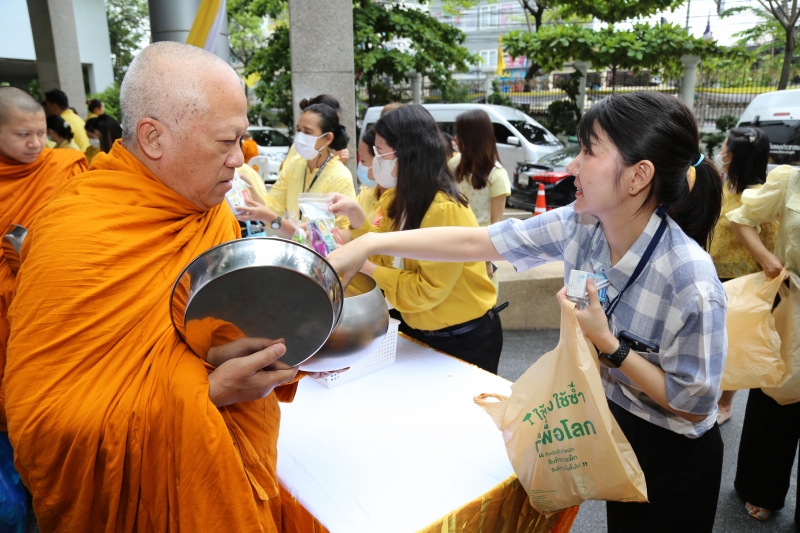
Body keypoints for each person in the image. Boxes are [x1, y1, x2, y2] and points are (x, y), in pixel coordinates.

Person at [327, 92, 727, 532]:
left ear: (638, 176)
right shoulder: (582, 224)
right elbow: (476, 242)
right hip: (614, 423)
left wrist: (608, 345)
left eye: (588, 151)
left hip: (672, 452)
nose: (573, 164)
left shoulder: (690, 279)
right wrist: (371, 243)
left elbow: (692, 404)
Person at [5, 41, 315, 532]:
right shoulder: (75, 234)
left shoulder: (211, 214)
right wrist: (205, 395)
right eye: (225, 141)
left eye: (243, 139)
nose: (241, 160)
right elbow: (44, 423)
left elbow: (226, 325)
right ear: (153, 138)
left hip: (222, 467)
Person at [328, 105, 504, 374]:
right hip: (418, 330)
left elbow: (426, 290)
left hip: (462, 338)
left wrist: (365, 265)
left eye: (380, 152)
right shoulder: (396, 198)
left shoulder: (444, 209)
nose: (376, 160)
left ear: (407, 154)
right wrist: (356, 216)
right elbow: (380, 252)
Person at [0, 87, 87, 432]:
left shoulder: (64, 166)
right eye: (23, 135)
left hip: (60, 295)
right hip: (9, 302)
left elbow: (89, 225)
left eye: (40, 133)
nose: (36, 144)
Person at [728, 163, 800, 524]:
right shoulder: (789, 179)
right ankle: (761, 490)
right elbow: (741, 217)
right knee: (775, 399)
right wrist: (766, 258)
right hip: (793, 305)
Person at [709, 127, 777, 425]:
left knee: (733, 345)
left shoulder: (760, 197)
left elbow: (772, 246)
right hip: (713, 276)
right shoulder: (727, 186)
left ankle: (725, 404)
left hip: (743, 284)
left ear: (733, 155)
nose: (720, 150)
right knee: (712, 343)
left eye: (724, 146)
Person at [235, 103, 355, 236]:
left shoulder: (340, 177)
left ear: (327, 138)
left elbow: (346, 232)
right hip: (299, 245)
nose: (300, 137)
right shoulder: (293, 164)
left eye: (307, 132)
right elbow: (273, 207)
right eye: (299, 130)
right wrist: (250, 187)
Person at [450, 109, 511, 286]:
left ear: (470, 138)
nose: (455, 138)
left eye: (459, 133)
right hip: (454, 247)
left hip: (480, 252)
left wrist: (487, 259)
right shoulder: (455, 164)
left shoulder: (497, 175)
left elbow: (496, 224)